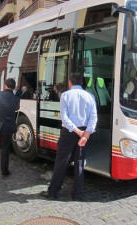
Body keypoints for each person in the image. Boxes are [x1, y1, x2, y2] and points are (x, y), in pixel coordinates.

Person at [40, 73, 97, 201]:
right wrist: (85, 135)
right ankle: (78, 194)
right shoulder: (90, 96)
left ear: (70, 83)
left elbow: (65, 118)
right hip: (83, 133)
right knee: (80, 163)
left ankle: (53, 192)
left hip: (69, 132)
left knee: (61, 162)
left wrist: (77, 131)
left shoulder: (65, 95)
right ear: (81, 83)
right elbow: (94, 118)